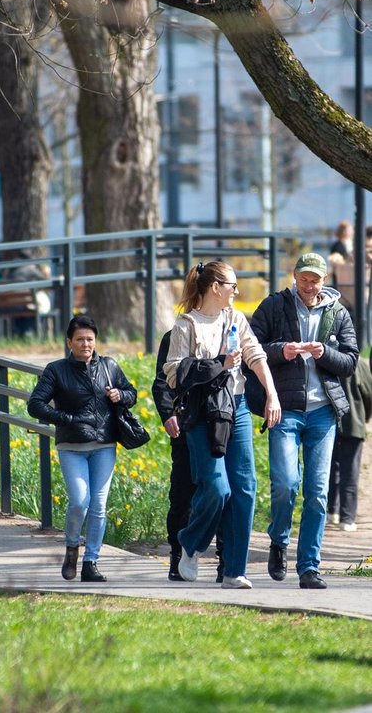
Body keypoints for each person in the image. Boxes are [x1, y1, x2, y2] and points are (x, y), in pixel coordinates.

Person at [164, 261, 281, 589]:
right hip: (201, 412)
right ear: (215, 287)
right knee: (217, 487)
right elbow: (172, 372)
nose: (236, 291)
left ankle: (234, 570)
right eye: (232, 285)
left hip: (237, 407)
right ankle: (190, 541)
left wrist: (272, 395)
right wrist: (217, 365)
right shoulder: (186, 325)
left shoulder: (235, 318)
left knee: (245, 487)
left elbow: (256, 356)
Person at [250, 252, 358, 589]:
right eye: (304, 278)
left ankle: (309, 565)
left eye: (316, 279)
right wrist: (282, 350)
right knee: (285, 484)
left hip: (323, 412)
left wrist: (325, 353)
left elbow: (351, 361)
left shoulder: (338, 313)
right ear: (294, 276)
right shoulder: (274, 306)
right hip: (284, 409)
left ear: (325, 281)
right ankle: (279, 541)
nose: (309, 285)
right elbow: (250, 347)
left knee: (318, 492)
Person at [27, 314, 137, 583]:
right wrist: (66, 419)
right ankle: (72, 548)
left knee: (99, 505)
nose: (85, 344)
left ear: (95, 341)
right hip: (72, 446)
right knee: (80, 500)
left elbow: (131, 393)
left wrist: (120, 395)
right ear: (69, 342)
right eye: (80, 339)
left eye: (90, 339)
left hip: (104, 446)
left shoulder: (110, 366)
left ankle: (92, 562)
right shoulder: (56, 370)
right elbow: (35, 404)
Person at [154, 328, 226, 581]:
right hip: (186, 423)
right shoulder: (175, 335)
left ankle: (225, 558)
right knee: (183, 493)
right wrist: (168, 414)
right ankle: (177, 554)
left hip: (221, 424)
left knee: (222, 492)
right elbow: (162, 381)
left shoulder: (230, 331)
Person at [329, 358, 372, 532]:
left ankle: (332, 510)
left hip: (328, 423)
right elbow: (369, 394)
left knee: (331, 468)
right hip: (354, 424)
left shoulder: (327, 360)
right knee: (350, 471)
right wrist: (365, 418)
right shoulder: (359, 364)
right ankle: (347, 518)